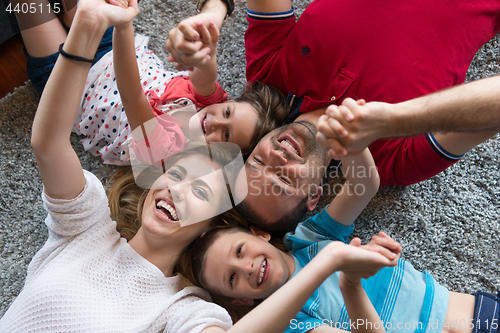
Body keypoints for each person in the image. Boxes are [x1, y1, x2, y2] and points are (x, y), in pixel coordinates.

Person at [0, 1, 402, 332]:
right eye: (175, 176)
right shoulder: (88, 227)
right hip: (92, 51)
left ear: (212, 223)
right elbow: (48, 144)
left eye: (201, 193)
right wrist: (87, 27)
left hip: (70, 72)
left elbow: (51, 144)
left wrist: (332, 265)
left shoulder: (183, 310)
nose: (175, 190)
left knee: (29, 7)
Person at [167, 0, 500, 186]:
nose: (277, 159)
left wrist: (212, 15)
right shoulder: (389, 164)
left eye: (257, 164)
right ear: (312, 196)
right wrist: (393, 120)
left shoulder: (269, 78)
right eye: (282, 179)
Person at [182, 146, 495, 333]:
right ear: (241, 301)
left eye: (239, 251)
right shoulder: (292, 323)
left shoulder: (308, 238)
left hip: (477, 314)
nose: (247, 266)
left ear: (260, 234)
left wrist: (351, 145)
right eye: (233, 277)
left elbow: (364, 183)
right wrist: (351, 285)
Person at [13, 0, 288, 166]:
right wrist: (205, 51)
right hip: (109, 43)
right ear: (227, 103)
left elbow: (131, 93)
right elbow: (204, 73)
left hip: (69, 81)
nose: (217, 122)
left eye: (226, 136)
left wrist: (124, 23)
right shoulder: (211, 103)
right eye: (227, 113)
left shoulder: (169, 154)